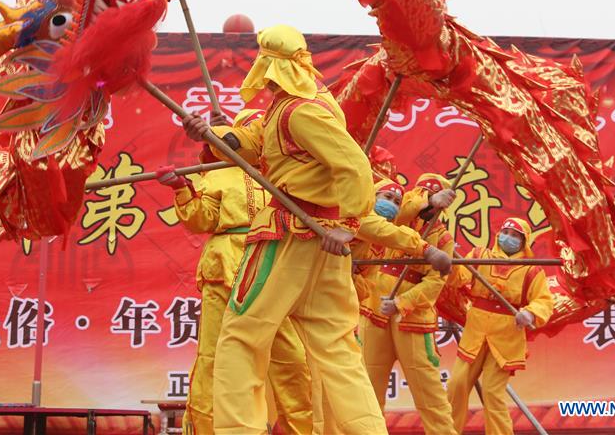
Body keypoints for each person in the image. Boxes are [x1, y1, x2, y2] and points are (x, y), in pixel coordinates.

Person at [181, 25, 448, 433]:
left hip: (291, 235)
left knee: (241, 337)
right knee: (338, 350)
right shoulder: (296, 104)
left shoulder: (302, 110)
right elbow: (254, 141)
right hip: (318, 244)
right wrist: (216, 136)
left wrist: (349, 223)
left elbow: (354, 166)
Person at [157, 109, 312, 434]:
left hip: (271, 266)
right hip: (224, 264)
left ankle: (300, 428)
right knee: (213, 357)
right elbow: (202, 219)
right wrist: (182, 189)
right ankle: (206, 429)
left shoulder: (285, 173)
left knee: (291, 357)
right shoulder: (216, 171)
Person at [359, 173, 458, 434]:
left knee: (428, 392)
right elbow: (402, 207)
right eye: (422, 194)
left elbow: (435, 283)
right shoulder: (399, 221)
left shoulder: (444, 239)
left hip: (411, 319)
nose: (427, 202)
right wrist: (427, 200)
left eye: (436, 199)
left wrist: (402, 302)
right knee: (367, 386)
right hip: (374, 311)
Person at [446, 217, 554, 435]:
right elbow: (458, 279)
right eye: (506, 232)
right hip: (475, 331)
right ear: (498, 235)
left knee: (492, 392)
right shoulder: (479, 256)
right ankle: (446, 432)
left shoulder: (530, 270)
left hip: (505, 337)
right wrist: (450, 261)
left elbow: (544, 301)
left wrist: (529, 313)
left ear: (524, 242)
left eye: (516, 236)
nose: (509, 238)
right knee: (456, 385)